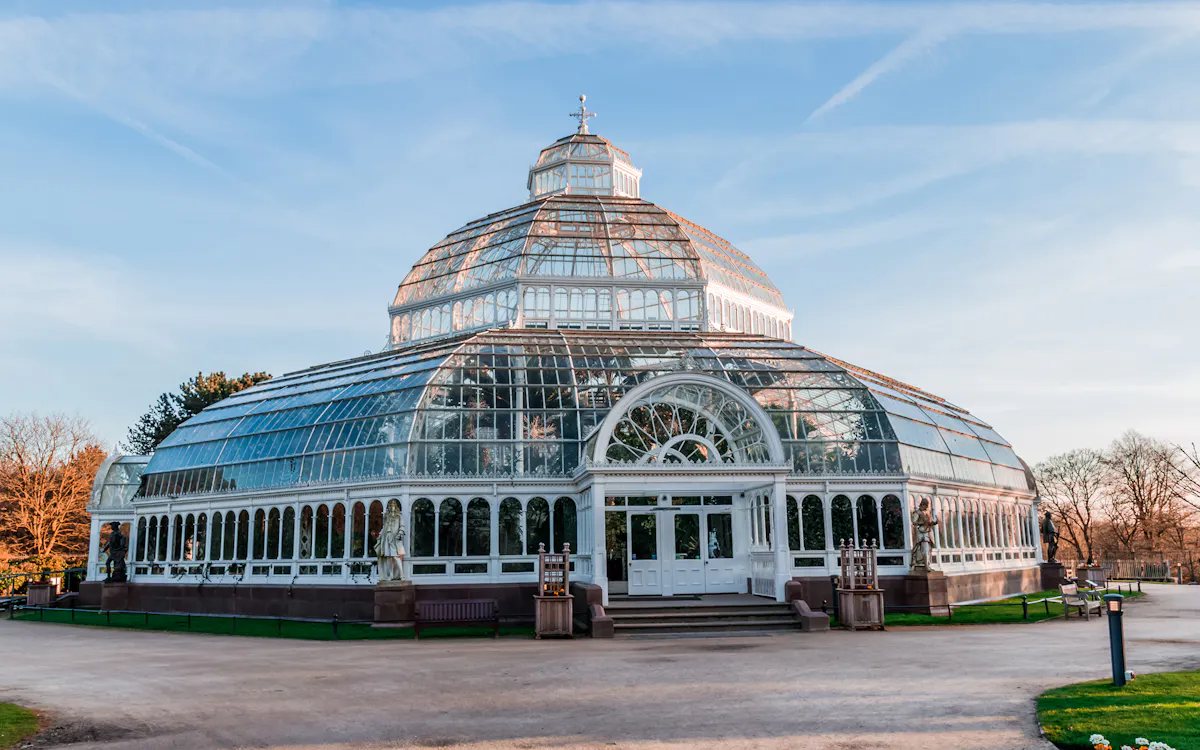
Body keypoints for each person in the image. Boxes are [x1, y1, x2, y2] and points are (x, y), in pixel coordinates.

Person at [377, 499, 406, 582]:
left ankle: (401, 574)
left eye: (393, 505)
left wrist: (400, 533)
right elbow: (384, 527)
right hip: (386, 537)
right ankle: (391, 575)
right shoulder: (386, 516)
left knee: (395, 556)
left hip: (394, 538)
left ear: (396, 506)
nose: (392, 506)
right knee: (388, 557)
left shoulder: (399, 516)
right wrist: (380, 535)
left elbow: (402, 526)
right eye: (390, 505)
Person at [910, 498, 939, 570]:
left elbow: (930, 522)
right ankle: (926, 566)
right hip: (922, 533)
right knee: (925, 549)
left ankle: (927, 564)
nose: (927, 507)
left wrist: (935, 522)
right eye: (926, 505)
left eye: (927, 505)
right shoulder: (918, 512)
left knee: (929, 549)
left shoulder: (928, 512)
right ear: (922, 504)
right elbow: (914, 522)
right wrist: (921, 522)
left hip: (929, 532)